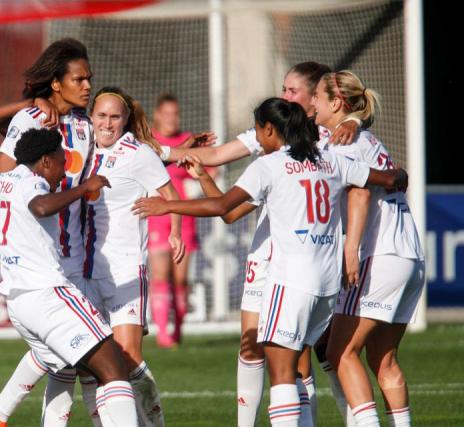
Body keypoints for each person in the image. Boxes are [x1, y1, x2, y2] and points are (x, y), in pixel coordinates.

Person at [133, 97, 407, 427]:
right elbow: (391, 179)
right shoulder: (330, 162)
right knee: (297, 369)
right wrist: (400, 174)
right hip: (327, 285)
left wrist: (167, 207)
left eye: (259, 132)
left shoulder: (269, 166)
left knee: (281, 374)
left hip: (290, 280)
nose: (257, 140)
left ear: (268, 129)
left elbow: (222, 207)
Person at [0, 127, 139, 427]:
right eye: (63, 163)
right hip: (48, 295)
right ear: (46, 161)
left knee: (58, 364)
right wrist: (84, 187)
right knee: (114, 367)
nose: (64, 173)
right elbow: (40, 206)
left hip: (18, 303)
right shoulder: (31, 184)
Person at [0, 38, 99, 427]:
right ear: (56, 83)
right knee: (98, 359)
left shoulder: (83, 125)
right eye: (79, 79)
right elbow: (4, 179)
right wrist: (29, 106)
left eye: (89, 79)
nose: (87, 86)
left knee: (63, 359)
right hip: (43, 263)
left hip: (76, 256)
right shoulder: (32, 121)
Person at [316, 71, 424, 427]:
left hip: (378, 255)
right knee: (384, 359)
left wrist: (350, 250)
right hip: (409, 256)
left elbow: (360, 193)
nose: (313, 103)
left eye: (317, 96)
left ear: (335, 103)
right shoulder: (363, 135)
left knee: (340, 351)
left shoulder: (343, 141)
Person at [82, 87, 185, 426]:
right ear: (91, 117)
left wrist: (173, 231)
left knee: (127, 358)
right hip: (84, 272)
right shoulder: (80, 148)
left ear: (125, 119)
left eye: (114, 116)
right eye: (101, 115)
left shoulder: (139, 153)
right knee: (91, 363)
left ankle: (154, 423)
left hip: (126, 269)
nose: (107, 123)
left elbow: (170, 194)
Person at [147, 92, 213, 348]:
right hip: (158, 217)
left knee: (181, 280)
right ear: (157, 115)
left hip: (184, 218)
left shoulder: (189, 141)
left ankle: (178, 330)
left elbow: (207, 170)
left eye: (175, 113)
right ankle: (163, 334)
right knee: (161, 275)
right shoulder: (151, 142)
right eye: (166, 113)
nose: (171, 118)